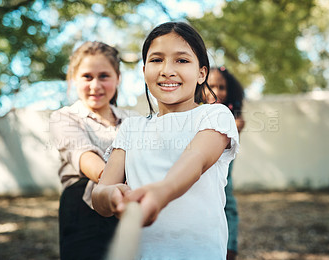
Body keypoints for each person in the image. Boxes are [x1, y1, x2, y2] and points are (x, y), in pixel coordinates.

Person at [92, 22, 240, 260]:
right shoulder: (131, 128)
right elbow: (100, 192)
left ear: (202, 73)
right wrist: (111, 196)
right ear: (143, 71)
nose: (167, 70)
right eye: (156, 59)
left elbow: (197, 159)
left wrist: (160, 193)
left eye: (181, 60)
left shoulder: (214, 115)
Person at [49, 41, 133, 260]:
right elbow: (85, 156)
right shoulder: (65, 117)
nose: (95, 85)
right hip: (83, 211)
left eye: (104, 76)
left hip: (130, 203)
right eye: (87, 76)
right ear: (73, 79)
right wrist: (112, 183)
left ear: (118, 78)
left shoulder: (134, 121)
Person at [206, 66, 245, 260]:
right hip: (201, 177)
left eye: (221, 87)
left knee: (228, 206)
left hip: (223, 178)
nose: (216, 92)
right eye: (210, 86)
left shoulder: (233, 117)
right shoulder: (198, 111)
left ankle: (230, 248)